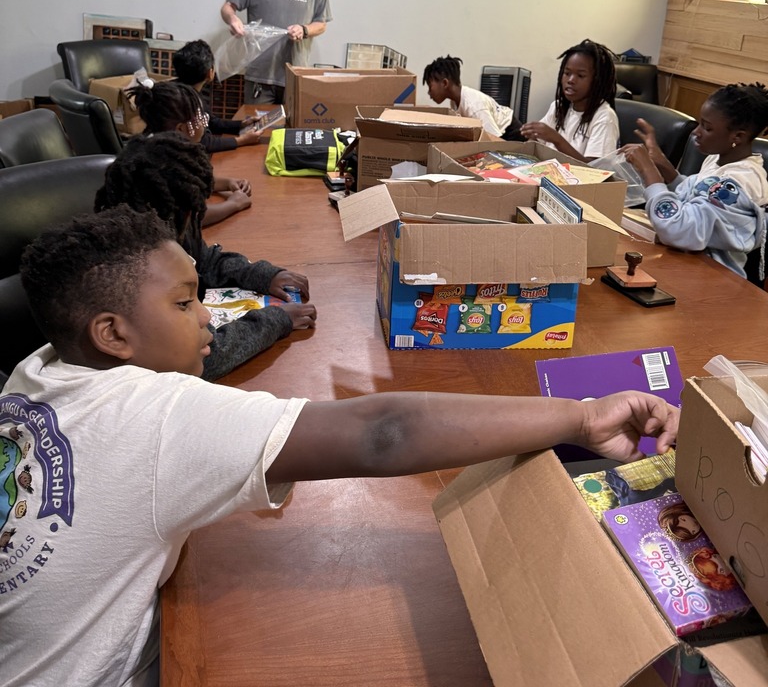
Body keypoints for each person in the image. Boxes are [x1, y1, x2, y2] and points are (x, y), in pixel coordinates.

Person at [0, 207, 679, 687]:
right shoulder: (150, 415)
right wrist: (583, 417)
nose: (208, 314)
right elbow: (381, 432)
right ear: (113, 335)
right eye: (184, 305)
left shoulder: (36, 373)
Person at [93, 133, 316, 381]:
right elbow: (203, 358)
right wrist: (278, 319)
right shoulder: (139, 272)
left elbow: (205, 260)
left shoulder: (169, 225)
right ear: (186, 211)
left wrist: (263, 275)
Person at [620, 82, 768, 278]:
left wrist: (649, 171)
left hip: (714, 279)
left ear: (738, 136)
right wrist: (662, 164)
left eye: (707, 128)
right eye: (699, 123)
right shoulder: (718, 159)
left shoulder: (735, 184)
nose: (696, 132)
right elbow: (696, 196)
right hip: (688, 264)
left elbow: (678, 228)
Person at [127, 80, 251, 228]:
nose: (205, 123)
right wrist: (234, 204)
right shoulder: (162, 164)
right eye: (200, 118)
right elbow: (191, 217)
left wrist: (227, 182)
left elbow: (189, 180)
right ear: (182, 129)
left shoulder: (159, 146)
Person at [521, 39, 620, 162]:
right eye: (567, 73)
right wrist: (532, 138)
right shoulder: (558, 107)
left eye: (580, 75)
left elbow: (596, 171)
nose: (571, 80)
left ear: (598, 81)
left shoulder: (604, 117)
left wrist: (557, 140)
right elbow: (537, 142)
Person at [172, 38, 263, 152]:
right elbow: (203, 142)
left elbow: (213, 122)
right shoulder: (186, 101)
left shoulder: (188, 91)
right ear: (210, 73)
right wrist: (242, 140)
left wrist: (242, 124)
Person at [422, 55, 523, 139]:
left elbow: (494, 140)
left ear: (445, 83)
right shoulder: (455, 100)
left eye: (430, 86)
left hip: (511, 134)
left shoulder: (473, 106)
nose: (429, 93)